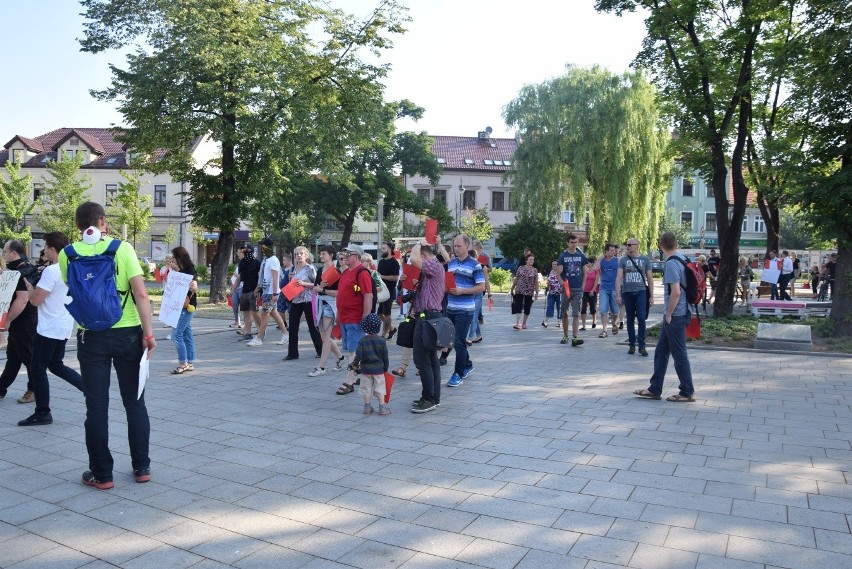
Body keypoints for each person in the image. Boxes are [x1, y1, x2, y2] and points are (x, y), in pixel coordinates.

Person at [60, 201, 156, 489]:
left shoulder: (68, 254)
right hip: (127, 333)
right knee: (135, 404)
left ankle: (102, 474)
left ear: (78, 225)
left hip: (91, 337)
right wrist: (148, 334)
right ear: (103, 221)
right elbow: (140, 294)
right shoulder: (122, 248)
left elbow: (76, 290)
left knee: (96, 407)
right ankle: (141, 468)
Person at [17, 232, 84, 426]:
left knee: (37, 368)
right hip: (63, 326)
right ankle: (89, 389)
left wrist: (29, 287)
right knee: (55, 365)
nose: (44, 251)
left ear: (53, 249)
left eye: (46, 247)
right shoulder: (72, 267)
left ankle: (43, 412)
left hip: (48, 328)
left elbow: (36, 300)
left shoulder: (53, 271)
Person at [634, 231, 695, 402]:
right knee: (661, 351)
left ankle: (686, 391)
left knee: (679, 353)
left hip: (676, 314)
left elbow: (675, 292)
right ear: (676, 244)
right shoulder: (682, 258)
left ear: (660, 245)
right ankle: (655, 388)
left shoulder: (670, 264)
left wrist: (668, 313)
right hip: (682, 311)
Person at [409, 240, 447, 413]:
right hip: (429, 316)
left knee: (422, 360)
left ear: (424, 255)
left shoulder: (432, 264)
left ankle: (430, 398)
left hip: (428, 318)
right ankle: (432, 397)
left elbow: (415, 260)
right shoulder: (433, 266)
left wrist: (417, 244)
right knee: (431, 360)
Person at [0, 240, 38, 404]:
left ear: (13, 253)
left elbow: (22, 300)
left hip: (24, 322)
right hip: (19, 321)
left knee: (29, 358)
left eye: (5, 251)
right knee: (14, 358)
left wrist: (6, 321)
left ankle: (34, 389)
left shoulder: (23, 271)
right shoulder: (14, 270)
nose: (3, 254)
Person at [445, 234, 486, 387]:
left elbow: (481, 287)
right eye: (454, 246)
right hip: (451, 307)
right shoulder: (452, 263)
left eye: (459, 246)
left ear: (467, 247)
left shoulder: (474, 265)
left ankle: (458, 373)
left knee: (459, 341)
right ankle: (467, 364)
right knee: (456, 341)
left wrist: (462, 291)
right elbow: (449, 284)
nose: (456, 249)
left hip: (465, 309)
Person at [334, 244, 374, 395]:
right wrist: (339, 314)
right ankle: (362, 376)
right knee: (352, 350)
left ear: (355, 256)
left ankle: (349, 382)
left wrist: (365, 317)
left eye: (348, 253)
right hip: (345, 318)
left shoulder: (362, 273)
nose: (344, 256)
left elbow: (367, 295)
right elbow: (345, 294)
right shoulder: (346, 273)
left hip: (355, 319)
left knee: (353, 352)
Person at [307, 245, 346, 377]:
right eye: (321, 254)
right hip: (320, 303)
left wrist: (322, 289)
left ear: (331, 255)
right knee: (325, 336)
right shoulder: (319, 270)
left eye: (323, 253)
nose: (321, 256)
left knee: (326, 337)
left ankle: (322, 367)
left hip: (330, 305)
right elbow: (315, 288)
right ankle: (341, 358)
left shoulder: (336, 272)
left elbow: (338, 293)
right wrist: (319, 287)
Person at [616, 238, 654, 356]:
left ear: (637, 245)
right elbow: (619, 278)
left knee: (642, 319)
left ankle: (642, 346)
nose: (627, 247)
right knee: (630, 319)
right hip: (627, 292)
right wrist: (618, 294)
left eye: (630, 245)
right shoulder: (623, 260)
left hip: (641, 292)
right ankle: (632, 344)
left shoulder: (645, 259)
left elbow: (650, 278)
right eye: (627, 245)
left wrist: (652, 296)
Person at [284, 246, 322, 359]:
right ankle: (292, 353)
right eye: (296, 254)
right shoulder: (293, 269)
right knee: (293, 327)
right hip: (296, 300)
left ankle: (320, 351)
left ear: (306, 255)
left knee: (312, 326)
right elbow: (292, 284)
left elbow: (317, 284)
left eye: (301, 254)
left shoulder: (309, 268)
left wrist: (304, 284)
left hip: (308, 300)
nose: (299, 256)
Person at [351, 313, 390, 416]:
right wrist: (385, 368)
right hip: (378, 370)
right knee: (380, 389)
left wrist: (354, 365)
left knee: (366, 389)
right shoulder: (382, 341)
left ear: (364, 328)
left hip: (365, 370)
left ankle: (367, 408)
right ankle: (382, 408)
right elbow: (385, 357)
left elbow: (358, 356)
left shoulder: (362, 341)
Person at [168, 247, 198, 374]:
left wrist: (193, 287)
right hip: (181, 308)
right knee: (187, 335)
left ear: (180, 258)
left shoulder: (190, 271)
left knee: (176, 335)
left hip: (187, 308)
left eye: (174, 258)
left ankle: (183, 363)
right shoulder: (181, 271)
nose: (172, 260)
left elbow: (195, 286)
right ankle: (190, 362)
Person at [557, 233, 587, 346]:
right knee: (564, 312)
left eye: (575, 242)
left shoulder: (581, 256)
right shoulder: (563, 256)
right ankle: (565, 335)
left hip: (577, 289)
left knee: (576, 313)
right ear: (567, 243)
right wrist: (562, 284)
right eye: (571, 242)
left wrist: (583, 286)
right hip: (567, 289)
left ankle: (575, 337)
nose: (574, 244)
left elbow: (585, 272)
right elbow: (558, 273)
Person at [233, 244, 260, 341]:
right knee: (246, 313)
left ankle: (261, 330)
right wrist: (233, 289)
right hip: (245, 290)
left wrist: (257, 289)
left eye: (247, 250)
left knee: (254, 312)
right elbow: (239, 277)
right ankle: (248, 333)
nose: (245, 252)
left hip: (254, 290)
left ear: (251, 251)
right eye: (244, 251)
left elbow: (260, 277)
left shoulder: (257, 263)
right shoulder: (242, 263)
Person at [594, 244, 619, 338]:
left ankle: (614, 323)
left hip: (614, 288)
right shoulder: (602, 260)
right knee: (603, 310)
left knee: (615, 310)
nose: (614, 252)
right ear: (606, 251)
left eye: (614, 250)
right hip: (604, 288)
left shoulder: (617, 260)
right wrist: (600, 258)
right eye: (611, 250)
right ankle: (604, 330)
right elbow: (595, 268)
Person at [468, 240, 490, 342]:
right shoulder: (469, 267)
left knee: (473, 316)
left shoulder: (483, 267)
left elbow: (486, 281)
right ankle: (478, 335)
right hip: (471, 293)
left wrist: (489, 294)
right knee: (474, 316)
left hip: (478, 294)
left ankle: (470, 338)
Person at [376, 242, 399, 339]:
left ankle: (384, 334)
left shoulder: (394, 262)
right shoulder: (381, 262)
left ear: (390, 249)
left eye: (384, 248)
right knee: (380, 314)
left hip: (389, 292)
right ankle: (392, 328)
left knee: (387, 313)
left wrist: (382, 276)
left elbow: (395, 278)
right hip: (381, 292)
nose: (382, 250)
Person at [510, 252, 538, 329]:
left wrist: (537, 292)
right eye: (530, 259)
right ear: (526, 260)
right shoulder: (521, 268)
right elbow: (517, 278)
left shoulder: (534, 270)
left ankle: (524, 323)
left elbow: (536, 282)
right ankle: (518, 323)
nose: (532, 261)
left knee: (527, 307)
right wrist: (512, 288)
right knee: (518, 305)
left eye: (533, 259)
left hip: (529, 291)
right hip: (519, 290)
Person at [580, 256, 599, 331]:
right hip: (585, 291)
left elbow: (596, 282)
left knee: (592, 308)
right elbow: (582, 280)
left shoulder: (596, 271)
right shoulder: (585, 271)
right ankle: (583, 325)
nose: (586, 264)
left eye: (588, 262)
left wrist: (592, 290)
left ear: (592, 263)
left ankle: (594, 320)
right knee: (583, 308)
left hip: (592, 292)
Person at [541, 260, 562, 328]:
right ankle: (546, 321)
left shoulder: (561, 273)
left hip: (559, 293)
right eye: (553, 264)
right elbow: (548, 282)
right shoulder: (550, 273)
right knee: (549, 306)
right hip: (551, 293)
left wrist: (563, 288)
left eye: (555, 264)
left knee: (559, 307)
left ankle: (559, 322)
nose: (554, 265)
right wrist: (546, 289)